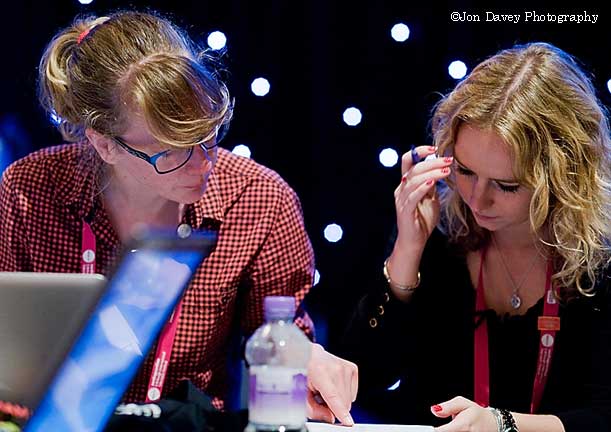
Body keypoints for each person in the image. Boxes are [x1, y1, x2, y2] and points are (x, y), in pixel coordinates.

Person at [0, 10, 357, 426]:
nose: (202, 163)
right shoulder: (31, 189)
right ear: (104, 145)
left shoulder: (258, 198)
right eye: (171, 150)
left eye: (208, 136)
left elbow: (279, 334)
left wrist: (303, 360)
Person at [341, 42, 611, 432]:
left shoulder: (601, 256)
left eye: (506, 185)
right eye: (465, 171)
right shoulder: (443, 228)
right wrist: (408, 249)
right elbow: (362, 379)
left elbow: (604, 414)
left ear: (564, 178)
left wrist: (503, 425)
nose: (476, 199)